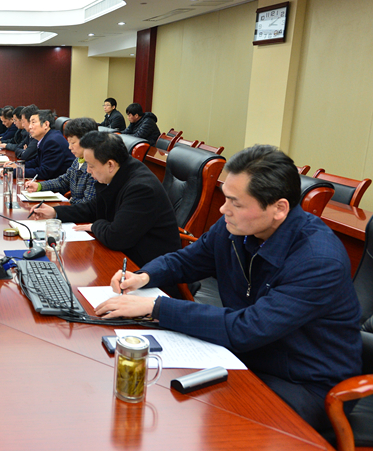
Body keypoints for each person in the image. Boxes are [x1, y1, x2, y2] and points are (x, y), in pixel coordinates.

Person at [96, 145, 362, 431]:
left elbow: (249, 328)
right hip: (246, 356)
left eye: (235, 203)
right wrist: (144, 276)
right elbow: (187, 260)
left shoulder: (318, 260)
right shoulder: (235, 228)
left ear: (279, 209)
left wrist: (155, 306)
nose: (223, 209)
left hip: (306, 383)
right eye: (225, 198)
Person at [30, 131, 180, 268]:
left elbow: (116, 237)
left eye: (91, 165)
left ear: (110, 165)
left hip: (148, 267)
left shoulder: (141, 188)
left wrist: (94, 226)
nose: (88, 170)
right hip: (124, 255)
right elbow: (94, 207)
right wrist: (55, 212)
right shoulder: (118, 173)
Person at [23, 117, 98, 205]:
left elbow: (88, 204)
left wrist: (71, 201)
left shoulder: (94, 167)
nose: (69, 147)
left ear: (87, 141)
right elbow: (63, 181)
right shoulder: (78, 160)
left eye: (73, 143)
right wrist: (39, 186)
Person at [20, 109, 76, 180]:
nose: (30, 127)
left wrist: (17, 171)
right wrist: (18, 166)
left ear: (46, 124)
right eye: (30, 123)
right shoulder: (47, 138)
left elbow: (44, 172)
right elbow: (37, 162)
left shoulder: (52, 142)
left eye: (33, 122)